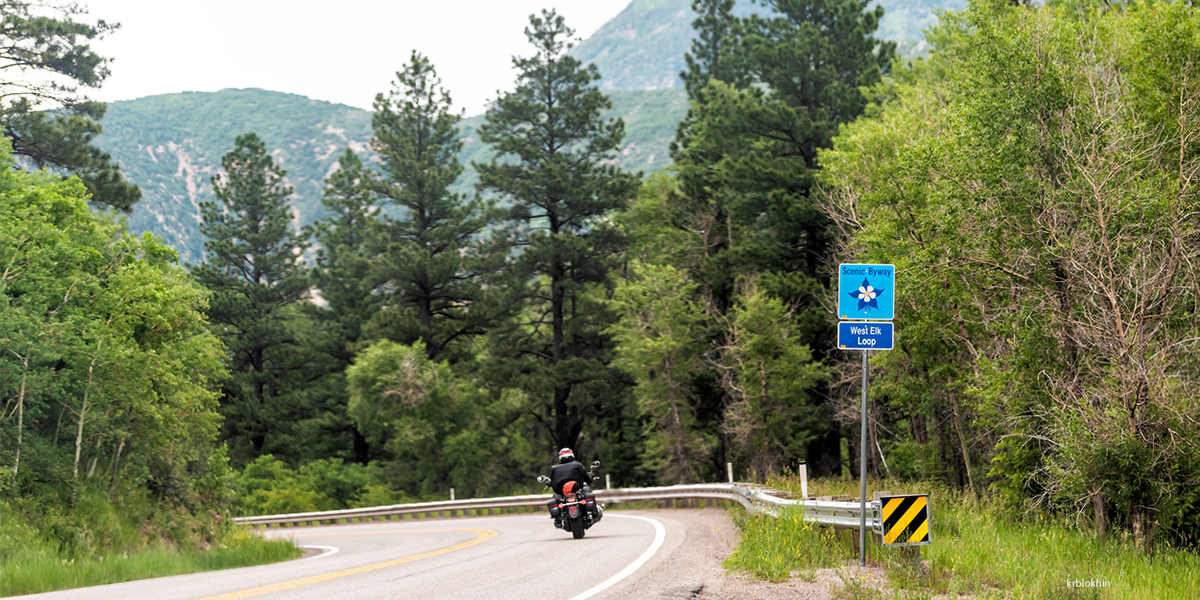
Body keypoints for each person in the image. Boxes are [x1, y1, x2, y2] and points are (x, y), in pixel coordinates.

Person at [545, 448, 601, 528]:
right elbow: (586, 477)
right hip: (576, 488)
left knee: (555, 496)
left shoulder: (555, 468)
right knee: (587, 490)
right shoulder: (577, 465)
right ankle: (593, 513)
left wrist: (548, 483)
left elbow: (553, 481)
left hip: (563, 492)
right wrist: (591, 477)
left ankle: (558, 519)